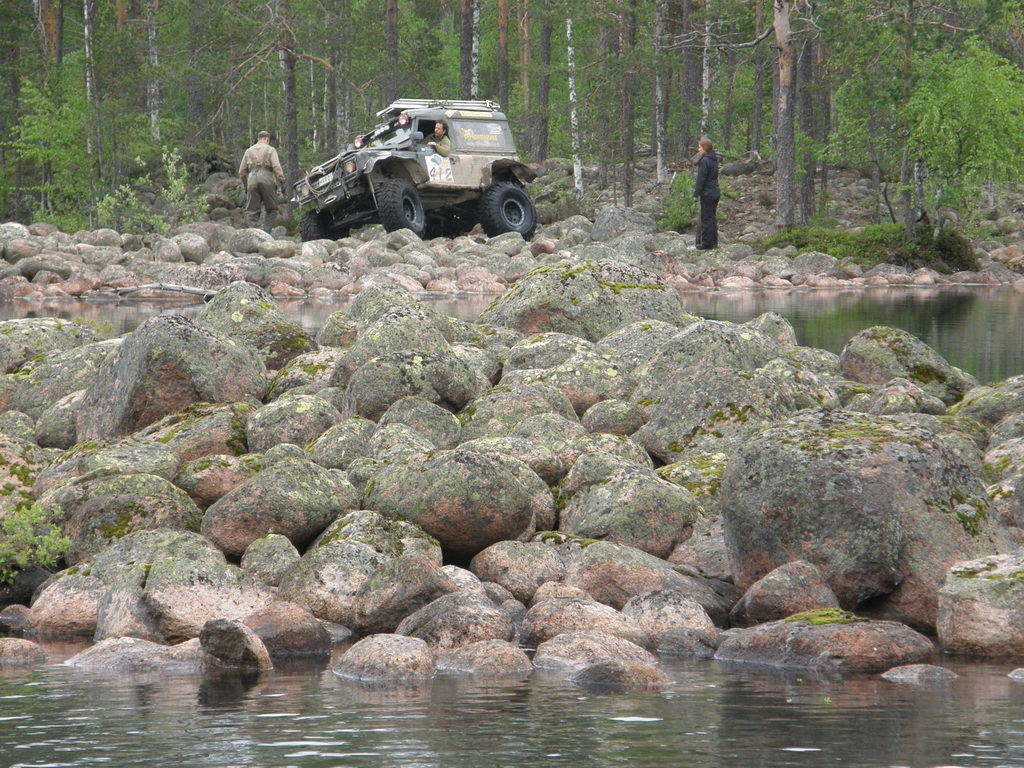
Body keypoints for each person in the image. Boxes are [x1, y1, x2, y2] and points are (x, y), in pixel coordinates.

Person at [238, 131, 286, 233]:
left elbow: (241, 172)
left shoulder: (248, 151)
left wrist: (246, 186)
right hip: (267, 179)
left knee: (252, 212)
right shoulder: (270, 150)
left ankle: (252, 235)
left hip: (251, 180)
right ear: (267, 139)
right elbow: (276, 166)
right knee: (272, 209)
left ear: (258, 139)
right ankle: (266, 232)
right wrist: (282, 180)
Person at [693, 138, 720, 250]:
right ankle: (713, 241)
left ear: (705, 148)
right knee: (712, 218)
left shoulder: (705, 161)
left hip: (708, 193)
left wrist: (696, 193)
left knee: (706, 218)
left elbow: (701, 179)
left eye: (700, 147)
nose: (698, 149)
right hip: (715, 191)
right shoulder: (713, 160)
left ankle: (707, 243)